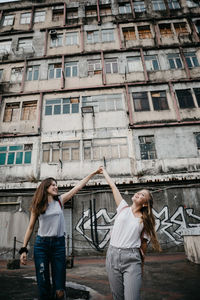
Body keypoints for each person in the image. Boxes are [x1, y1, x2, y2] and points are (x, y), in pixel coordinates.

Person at [19, 167, 101, 300]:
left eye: (56, 184)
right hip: (41, 246)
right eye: (52, 185)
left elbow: (78, 187)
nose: (55, 187)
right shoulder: (37, 205)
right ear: (45, 188)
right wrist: (23, 249)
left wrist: (93, 173)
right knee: (43, 283)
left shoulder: (60, 201)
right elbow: (30, 227)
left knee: (59, 288)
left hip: (58, 245)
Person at [100, 167, 161, 300]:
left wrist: (142, 266)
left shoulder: (144, 220)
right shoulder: (123, 208)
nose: (139, 194)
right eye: (139, 192)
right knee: (118, 296)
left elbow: (144, 244)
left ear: (145, 204)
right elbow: (113, 187)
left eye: (143, 195)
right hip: (112, 255)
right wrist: (104, 171)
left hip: (132, 259)